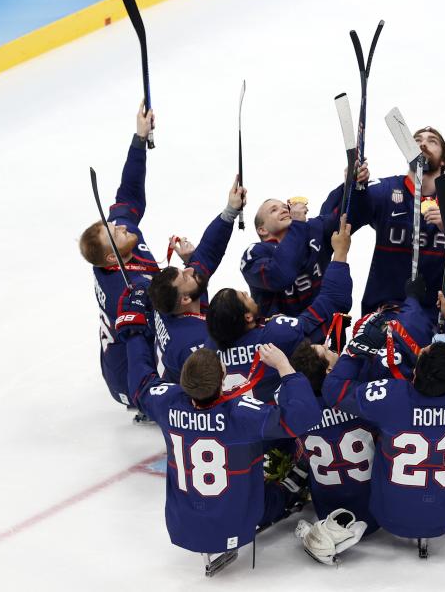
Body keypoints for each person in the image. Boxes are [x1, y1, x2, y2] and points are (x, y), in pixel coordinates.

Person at [122, 325, 319, 571]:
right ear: (222, 377)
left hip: (183, 525)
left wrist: (133, 331)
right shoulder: (240, 414)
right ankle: (290, 486)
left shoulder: (166, 403)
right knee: (281, 451)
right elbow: (304, 417)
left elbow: (140, 383)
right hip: (238, 522)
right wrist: (285, 368)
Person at [321, 289, 445, 544]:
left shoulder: (390, 396)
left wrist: (357, 348)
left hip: (387, 517)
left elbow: (333, 390)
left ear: (414, 373)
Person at [205, 218, 354, 402]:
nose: (245, 291)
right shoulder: (276, 335)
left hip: (243, 419)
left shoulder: (211, 345)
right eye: (243, 296)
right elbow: (333, 302)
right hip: (288, 418)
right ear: (248, 317)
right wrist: (340, 254)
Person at [79, 102, 160, 409]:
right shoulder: (125, 290)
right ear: (113, 260)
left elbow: (128, 194)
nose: (121, 227)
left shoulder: (119, 249)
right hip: (128, 378)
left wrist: (139, 139)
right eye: (115, 232)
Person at [352, 127, 445, 314]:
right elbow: (345, 221)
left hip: (435, 319)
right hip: (383, 314)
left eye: (432, 141)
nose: (422, 144)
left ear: (444, 160)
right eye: (416, 141)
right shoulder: (385, 190)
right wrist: (353, 187)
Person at [137, 177, 246, 379]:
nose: (189, 270)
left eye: (183, 270)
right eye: (185, 277)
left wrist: (230, 210)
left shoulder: (169, 302)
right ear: (186, 299)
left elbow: (205, 256)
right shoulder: (198, 340)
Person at [240, 162, 369, 318]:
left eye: (283, 207)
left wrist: (352, 185)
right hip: (278, 340)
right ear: (262, 230)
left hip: (323, 333)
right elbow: (280, 276)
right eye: (273, 210)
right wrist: (297, 225)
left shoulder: (312, 229)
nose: (283, 209)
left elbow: (346, 217)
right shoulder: (254, 254)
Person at [289, 341, 373, 565]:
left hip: (326, 509)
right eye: (327, 351)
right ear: (328, 370)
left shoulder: (297, 409)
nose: (332, 348)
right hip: (375, 509)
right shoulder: (360, 394)